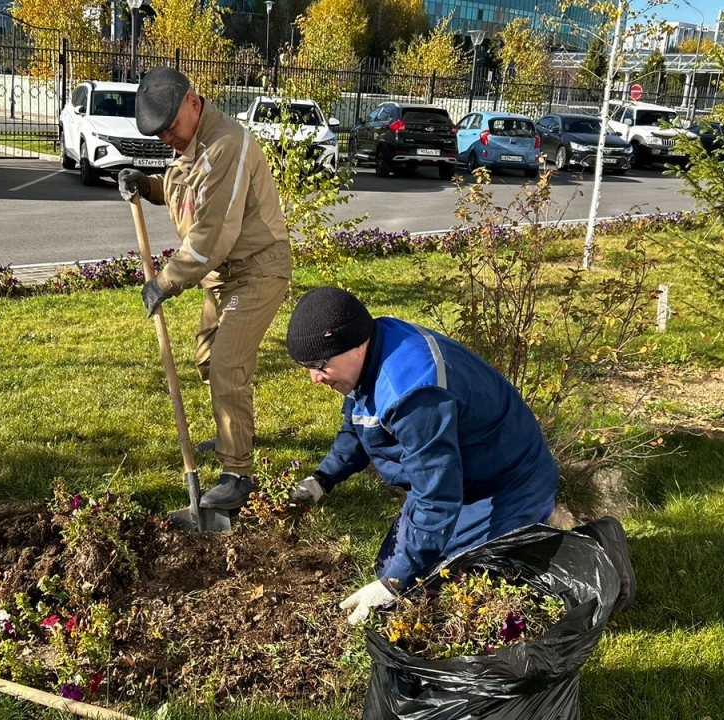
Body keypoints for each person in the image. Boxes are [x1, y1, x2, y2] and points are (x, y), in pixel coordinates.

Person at [284, 287, 559, 624]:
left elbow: (437, 495)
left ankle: (570, 554)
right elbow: (358, 425)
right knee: (392, 567)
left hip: (508, 484)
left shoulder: (414, 392)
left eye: (318, 365)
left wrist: (394, 583)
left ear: (355, 345)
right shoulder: (371, 347)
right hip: (463, 477)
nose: (314, 378)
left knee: (450, 594)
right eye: (306, 367)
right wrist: (322, 479)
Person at [116, 67, 292, 511]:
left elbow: (212, 233)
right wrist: (150, 185)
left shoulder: (226, 143)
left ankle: (237, 474)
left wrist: (166, 281)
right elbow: (189, 191)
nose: (167, 139)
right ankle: (234, 426)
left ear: (193, 102)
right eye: (159, 135)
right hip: (222, 276)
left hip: (257, 269)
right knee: (208, 358)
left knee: (228, 362)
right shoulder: (192, 144)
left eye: (170, 127)